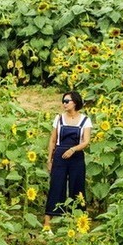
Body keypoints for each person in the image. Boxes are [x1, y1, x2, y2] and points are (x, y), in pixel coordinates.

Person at [43, 91, 92, 231]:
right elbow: (52, 140)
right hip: (59, 156)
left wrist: (73, 149)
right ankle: (47, 223)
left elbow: (86, 141)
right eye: (63, 101)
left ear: (75, 102)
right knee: (56, 186)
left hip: (76, 156)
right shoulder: (58, 119)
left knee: (77, 188)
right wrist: (49, 159)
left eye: (67, 101)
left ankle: (78, 221)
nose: (64, 104)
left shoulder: (85, 120)